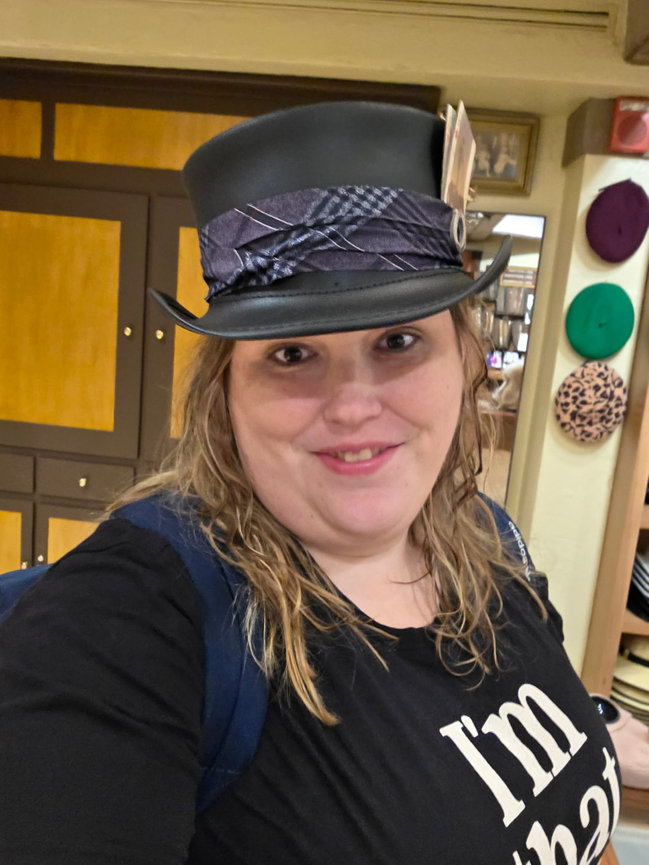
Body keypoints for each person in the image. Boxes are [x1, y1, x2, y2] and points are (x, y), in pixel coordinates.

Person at [0, 101, 619, 864]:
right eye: (291, 354)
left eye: (397, 339)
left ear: (463, 359)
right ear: (225, 393)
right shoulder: (135, 612)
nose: (354, 406)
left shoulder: (488, 538)